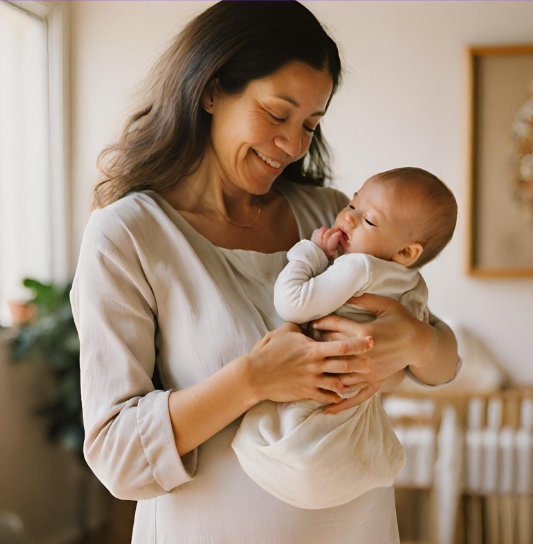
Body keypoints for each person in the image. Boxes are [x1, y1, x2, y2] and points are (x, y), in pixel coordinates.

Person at [70, 3, 460, 542]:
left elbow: (442, 363)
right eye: (278, 115)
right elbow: (117, 456)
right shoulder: (128, 235)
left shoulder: (334, 219)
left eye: (311, 124)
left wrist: (414, 341)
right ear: (210, 91)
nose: (295, 145)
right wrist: (252, 380)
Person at [232, 167, 458, 510]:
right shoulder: (413, 286)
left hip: (318, 391)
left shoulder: (359, 268)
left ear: (407, 253)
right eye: (353, 204)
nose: (348, 219)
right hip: (352, 406)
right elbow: (405, 365)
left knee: (271, 440)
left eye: (369, 221)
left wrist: (311, 253)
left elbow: (291, 302)